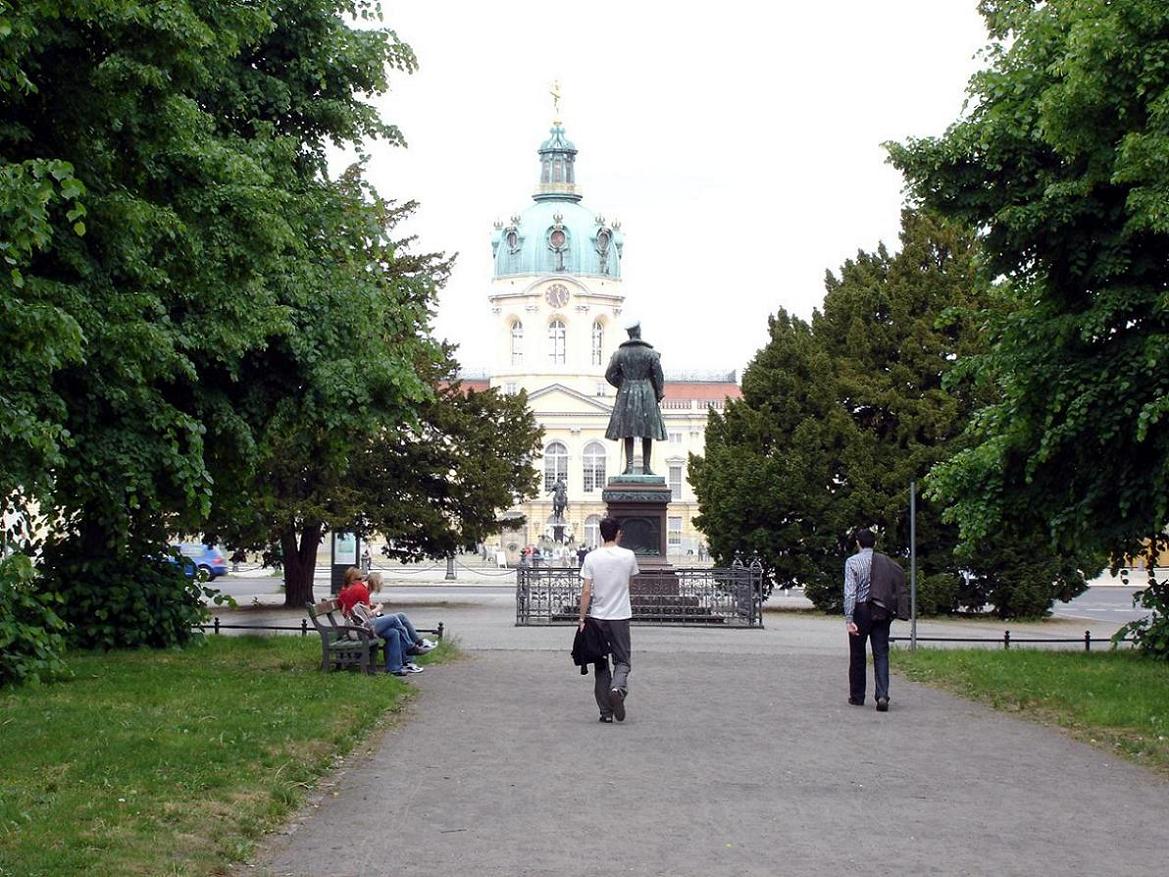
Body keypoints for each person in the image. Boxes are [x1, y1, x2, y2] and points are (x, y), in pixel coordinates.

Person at [578, 517, 638, 723]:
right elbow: (629, 585)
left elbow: (586, 591)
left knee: (601, 664)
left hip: (597, 617)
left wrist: (582, 618)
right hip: (620, 616)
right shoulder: (629, 556)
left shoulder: (591, 558)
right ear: (618, 533)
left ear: (601, 534)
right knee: (623, 661)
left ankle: (606, 713)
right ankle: (617, 689)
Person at [844, 528, 906, 712]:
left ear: (858, 543)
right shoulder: (886, 562)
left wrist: (849, 618)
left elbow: (850, 592)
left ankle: (857, 696)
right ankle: (882, 694)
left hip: (861, 611)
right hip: (881, 610)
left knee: (857, 654)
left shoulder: (852, 562)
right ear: (875, 544)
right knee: (881, 653)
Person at [337, 568, 433, 676]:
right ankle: (411, 647)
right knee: (396, 618)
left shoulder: (358, 589)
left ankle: (395, 668)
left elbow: (360, 611)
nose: (360, 580)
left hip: (360, 626)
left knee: (393, 632)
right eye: (358, 578)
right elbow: (368, 615)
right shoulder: (361, 590)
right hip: (360, 629)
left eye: (362, 578)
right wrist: (378, 608)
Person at [604, 320, 667, 475]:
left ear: (629, 334)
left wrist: (623, 384)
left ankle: (630, 466)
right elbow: (659, 377)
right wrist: (658, 393)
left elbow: (609, 375)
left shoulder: (619, 354)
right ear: (639, 332)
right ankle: (646, 467)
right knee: (648, 430)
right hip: (647, 392)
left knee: (628, 430)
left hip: (627, 392)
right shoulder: (651, 354)